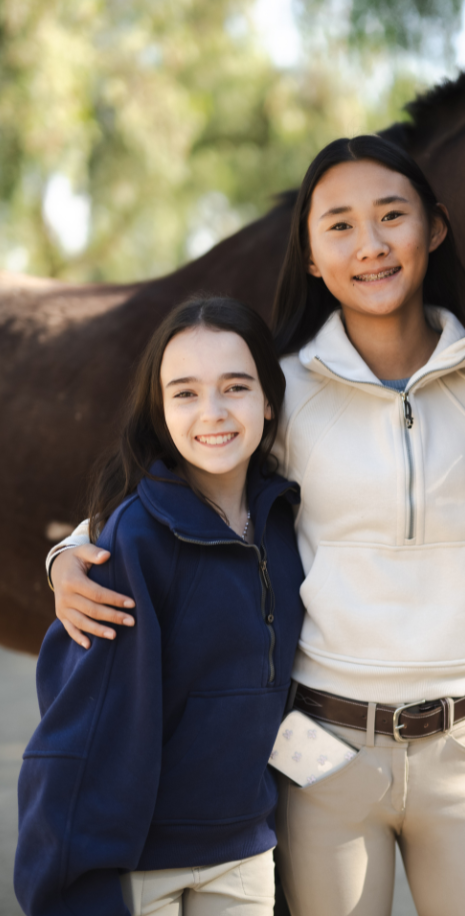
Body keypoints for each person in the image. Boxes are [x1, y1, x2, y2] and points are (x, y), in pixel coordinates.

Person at [47, 135, 465, 916]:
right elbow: (175, 495)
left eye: (390, 215)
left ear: (432, 229)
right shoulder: (282, 391)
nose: (369, 245)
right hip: (322, 753)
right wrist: (69, 552)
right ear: (309, 257)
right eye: (338, 225)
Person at [16, 297, 305, 916]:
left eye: (236, 387)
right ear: (159, 410)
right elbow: (83, 733)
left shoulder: (287, 523)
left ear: (269, 400)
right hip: (140, 865)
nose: (213, 413)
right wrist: (73, 883)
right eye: (185, 394)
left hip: (244, 854)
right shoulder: (132, 543)